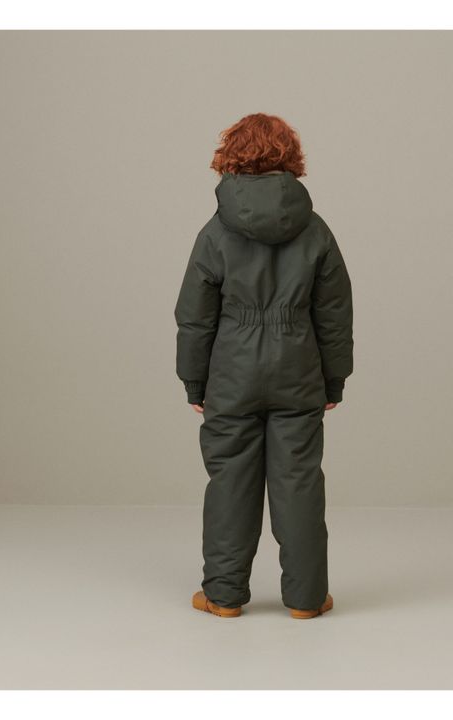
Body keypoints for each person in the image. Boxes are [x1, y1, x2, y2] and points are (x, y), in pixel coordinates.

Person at [174, 112, 353, 619]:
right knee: (299, 483)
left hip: (231, 374)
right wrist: (333, 379)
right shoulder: (315, 230)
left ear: (230, 157)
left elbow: (195, 317)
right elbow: (335, 313)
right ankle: (306, 599)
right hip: (298, 370)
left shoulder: (215, 232)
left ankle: (223, 596)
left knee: (230, 482)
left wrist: (195, 382)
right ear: (290, 157)